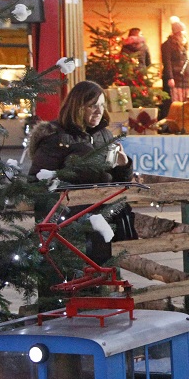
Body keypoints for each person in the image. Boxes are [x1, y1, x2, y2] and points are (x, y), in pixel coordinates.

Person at [28, 80, 134, 264]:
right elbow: (37, 181)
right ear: (77, 106)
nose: (99, 111)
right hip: (70, 224)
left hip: (105, 219)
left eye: (102, 105)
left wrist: (123, 165)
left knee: (104, 273)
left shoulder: (104, 135)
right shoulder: (56, 137)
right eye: (92, 106)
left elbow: (118, 181)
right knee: (83, 276)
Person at [160, 17, 189, 103]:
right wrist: (170, 77)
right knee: (175, 103)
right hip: (175, 77)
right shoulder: (167, 45)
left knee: (186, 103)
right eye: (182, 31)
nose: (184, 34)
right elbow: (167, 62)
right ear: (178, 33)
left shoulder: (183, 44)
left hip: (184, 78)